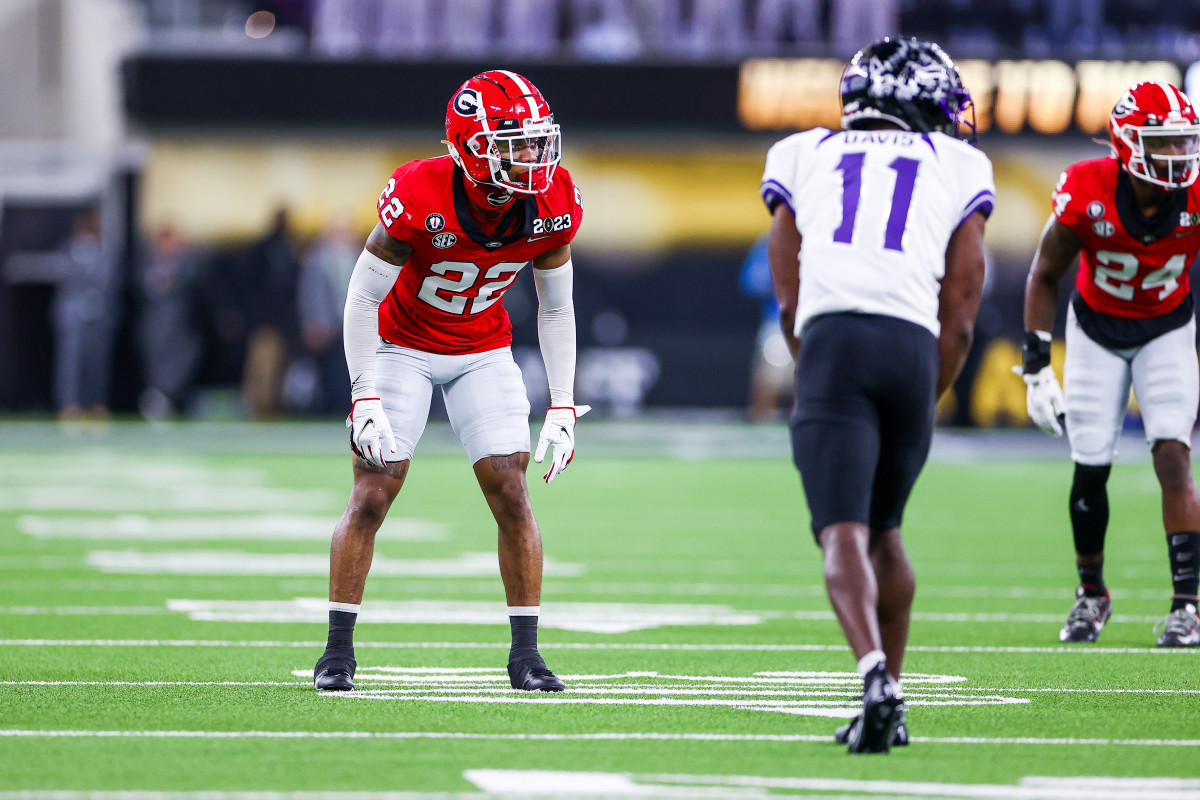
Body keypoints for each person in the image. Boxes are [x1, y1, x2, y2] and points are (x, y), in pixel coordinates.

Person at [313, 70, 587, 693]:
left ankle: (526, 656)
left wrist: (564, 405)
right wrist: (363, 393)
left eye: (537, 142)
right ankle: (337, 651)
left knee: (512, 493)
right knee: (373, 494)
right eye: (514, 143)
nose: (531, 157)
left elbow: (557, 308)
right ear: (469, 145)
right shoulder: (420, 190)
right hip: (401, 345)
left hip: (481, 349)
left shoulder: (551, 203)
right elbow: (361, 296)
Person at [761, 37, 992, 753]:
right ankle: (890, 692)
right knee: (887, 529)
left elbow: (788, 287)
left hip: (834, 341)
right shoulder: (958, 163)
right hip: (911, 347)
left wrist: (815, 363)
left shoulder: (802, 153)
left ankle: (871, 676)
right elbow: (961, 306)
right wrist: (928, 388)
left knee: (843, 531)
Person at [1019, 81, 1200, 649]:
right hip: (1096, 329)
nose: (1178, 156)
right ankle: (1091, 593)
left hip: (1167, 326)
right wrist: (1036, 364)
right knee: (1090, 463)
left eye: (1183, 143)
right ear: (1127, 144)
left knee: (1173, 453)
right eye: (1164, 144)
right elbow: (1045, 273)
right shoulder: (1086, 190)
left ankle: (1187, 605)